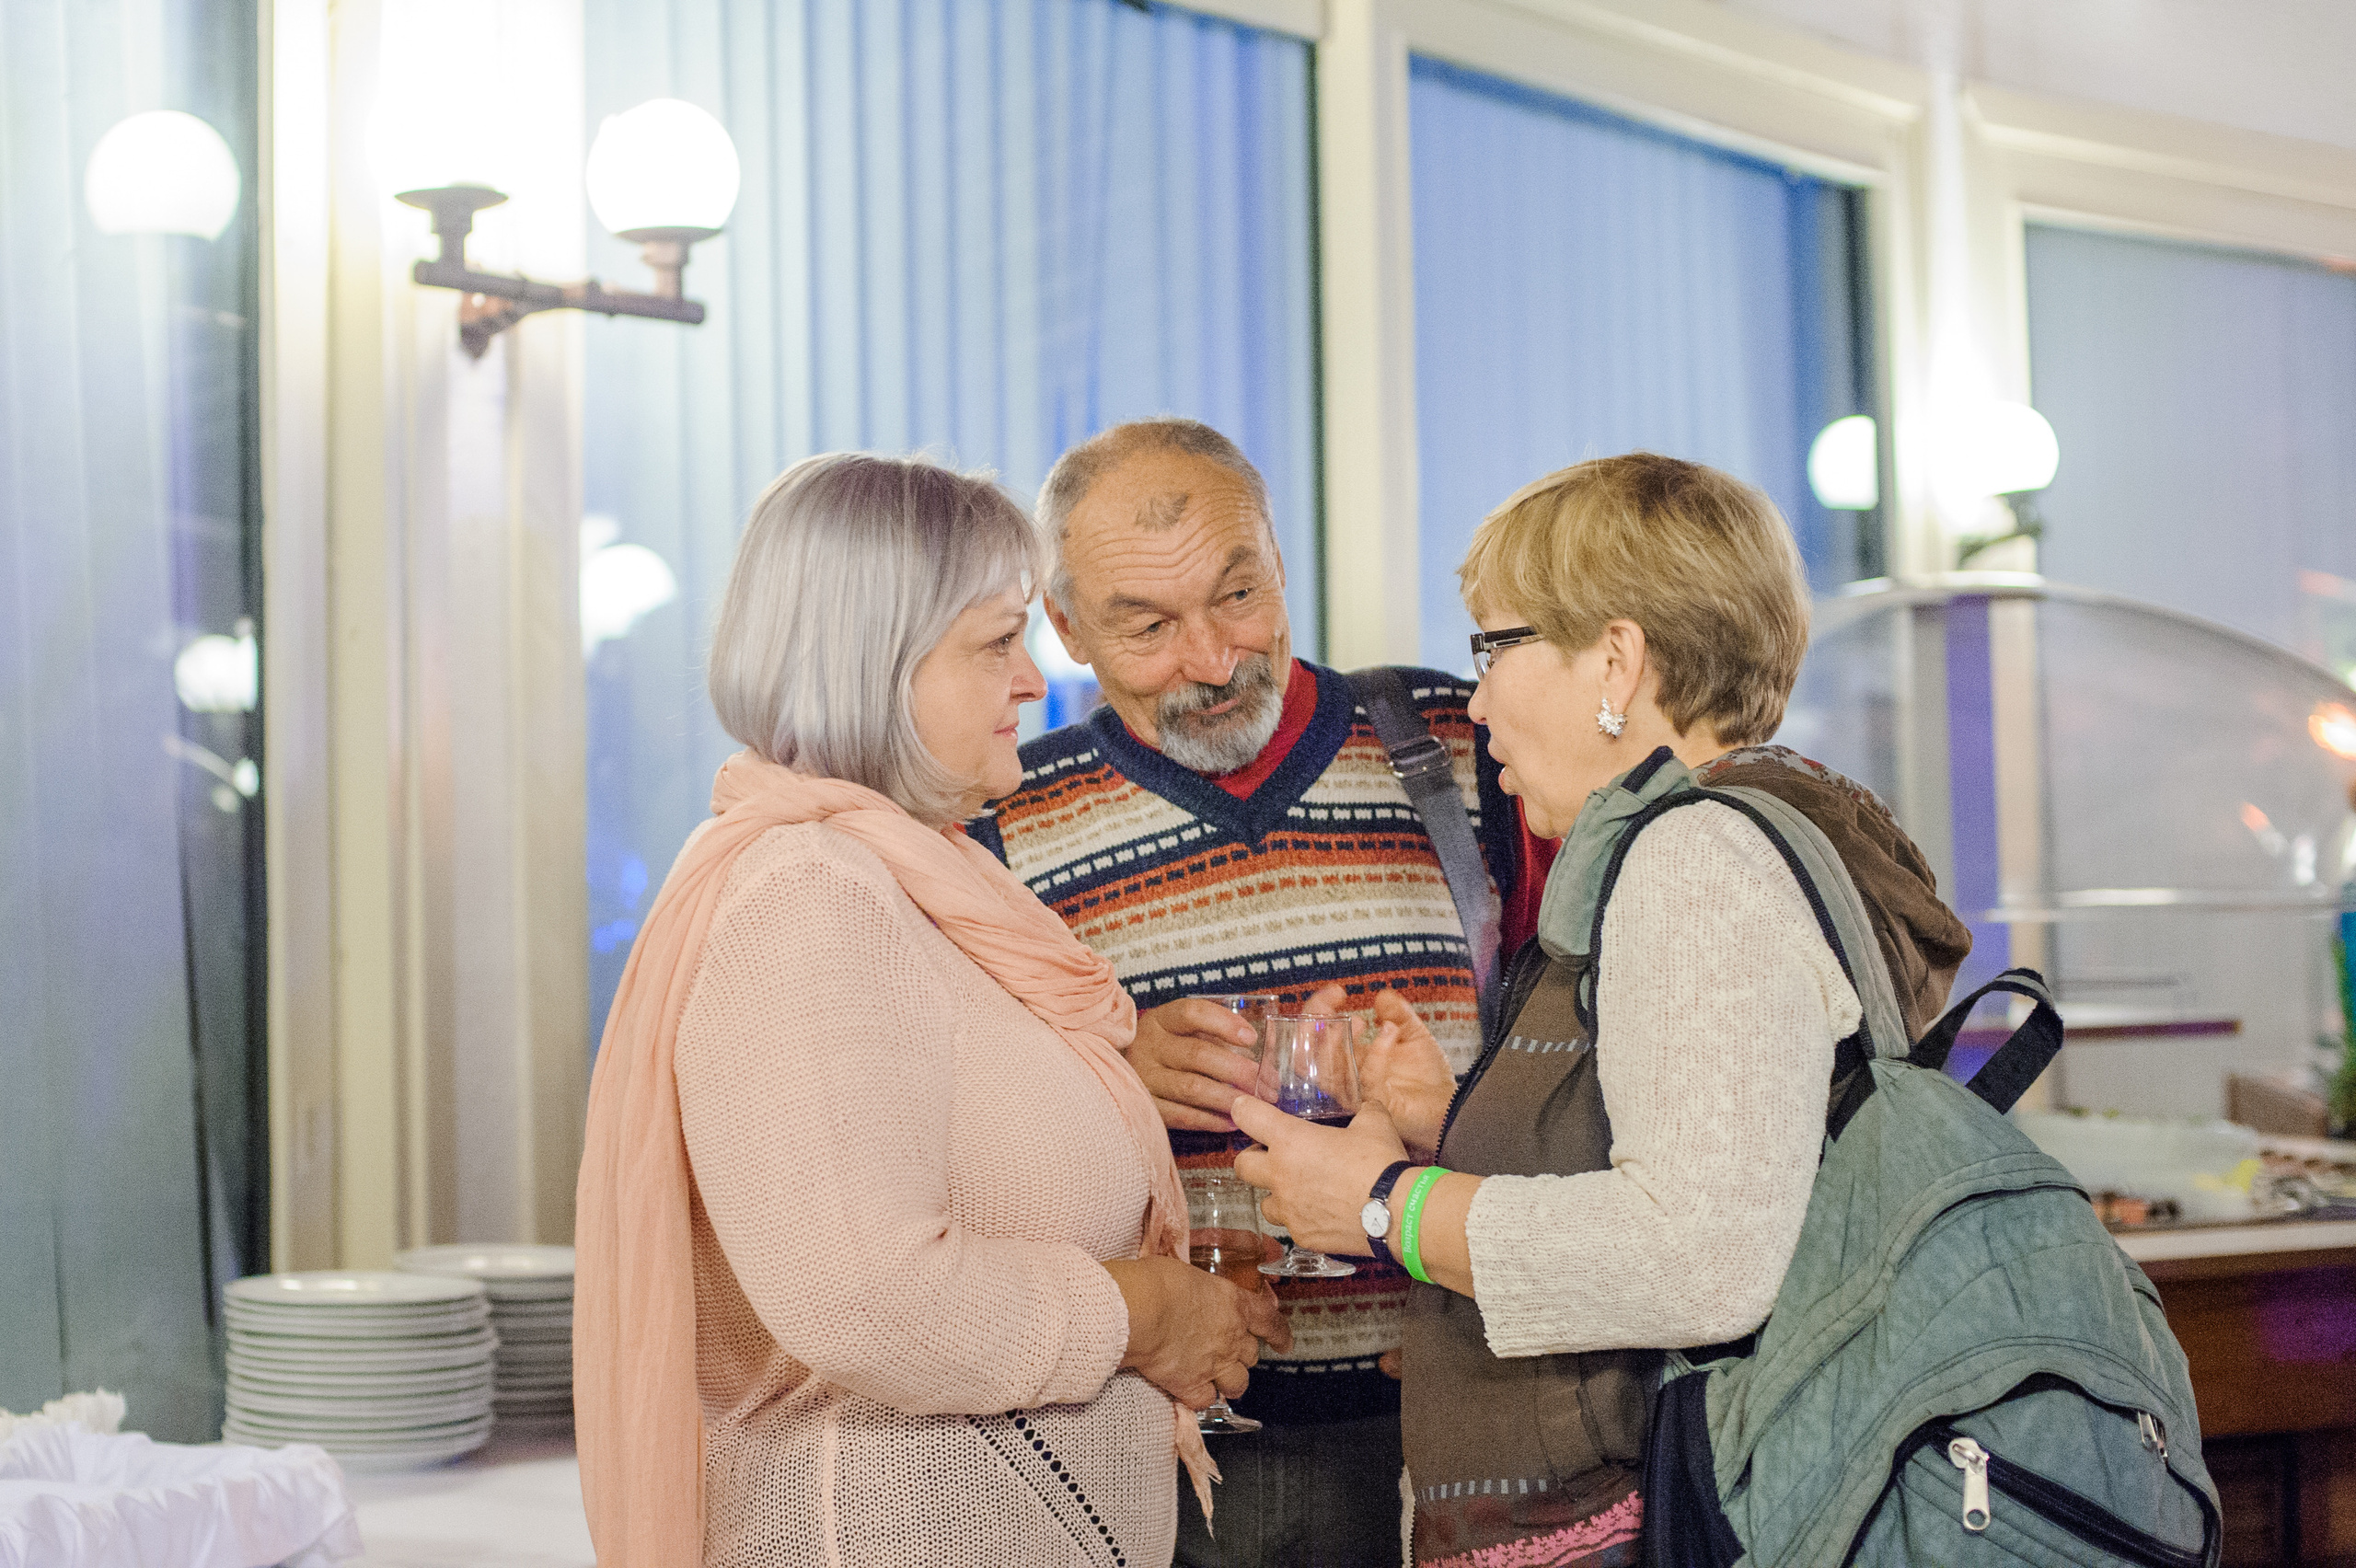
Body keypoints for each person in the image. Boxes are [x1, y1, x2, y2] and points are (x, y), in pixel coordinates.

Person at [1232, 453, 1972, 1568]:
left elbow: (1700, 1255)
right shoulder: (1782, 822)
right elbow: (1737, 1161)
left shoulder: (1695, 856)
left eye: (1495, 646)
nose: (1475, 702)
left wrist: (1382, 1204)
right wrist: (1456, 1126)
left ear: (1616, 659)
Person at [572, 453, 1288, 1568]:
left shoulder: (917, 877)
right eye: (998, 643)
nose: (1033, 682)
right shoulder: (814, 896)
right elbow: (864, 1296)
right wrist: (1144, 1313)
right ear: (878, 666)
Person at [970, 418, 1552, 1566]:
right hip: (1193, 1432)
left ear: (1281, 561)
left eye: (1238, 594)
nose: (1212, 656)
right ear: (1067, 628)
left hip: (1483, 1394)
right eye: (1145, 625)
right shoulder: (1000, 818)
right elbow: (951, 1126)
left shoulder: (1459, 743)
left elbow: (1578, 1040)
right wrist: (1104, 1065)